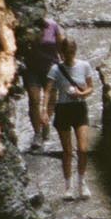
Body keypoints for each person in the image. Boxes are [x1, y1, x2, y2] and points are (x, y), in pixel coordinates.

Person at [46, 36, 96, 200]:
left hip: (79, 108)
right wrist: (44, 111)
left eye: (71, 52)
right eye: (65, 52)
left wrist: (81, 94)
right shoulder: (55, 69)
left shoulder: (84, 66)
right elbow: (48, 91)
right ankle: (68, 187)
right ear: (61, 52)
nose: (68, 55)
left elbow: (91, 88)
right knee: (67, 151)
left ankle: (82, 183)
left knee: (83, 149)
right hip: (63, 110)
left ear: (75, 51)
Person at [20, 13, 62, 152]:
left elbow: (60, 45)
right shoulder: (25, 29)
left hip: (50, 68)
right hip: (31, 69)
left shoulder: (53, 25)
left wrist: (65, 65)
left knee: (51, 100)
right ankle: (37, 133)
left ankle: (45, 122)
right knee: (34, 99)